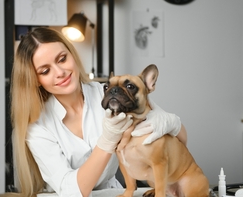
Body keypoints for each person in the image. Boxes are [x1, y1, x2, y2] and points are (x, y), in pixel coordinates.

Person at [10, 27, 187, 197]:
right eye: (45, 71)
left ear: (72, 54)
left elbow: (180, 140)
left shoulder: (110, 94)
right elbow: (71, 192)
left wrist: (171, 123)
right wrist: (107, 141)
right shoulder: (37, 127)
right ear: (36, 80)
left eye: (62, 59)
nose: (60, 72)